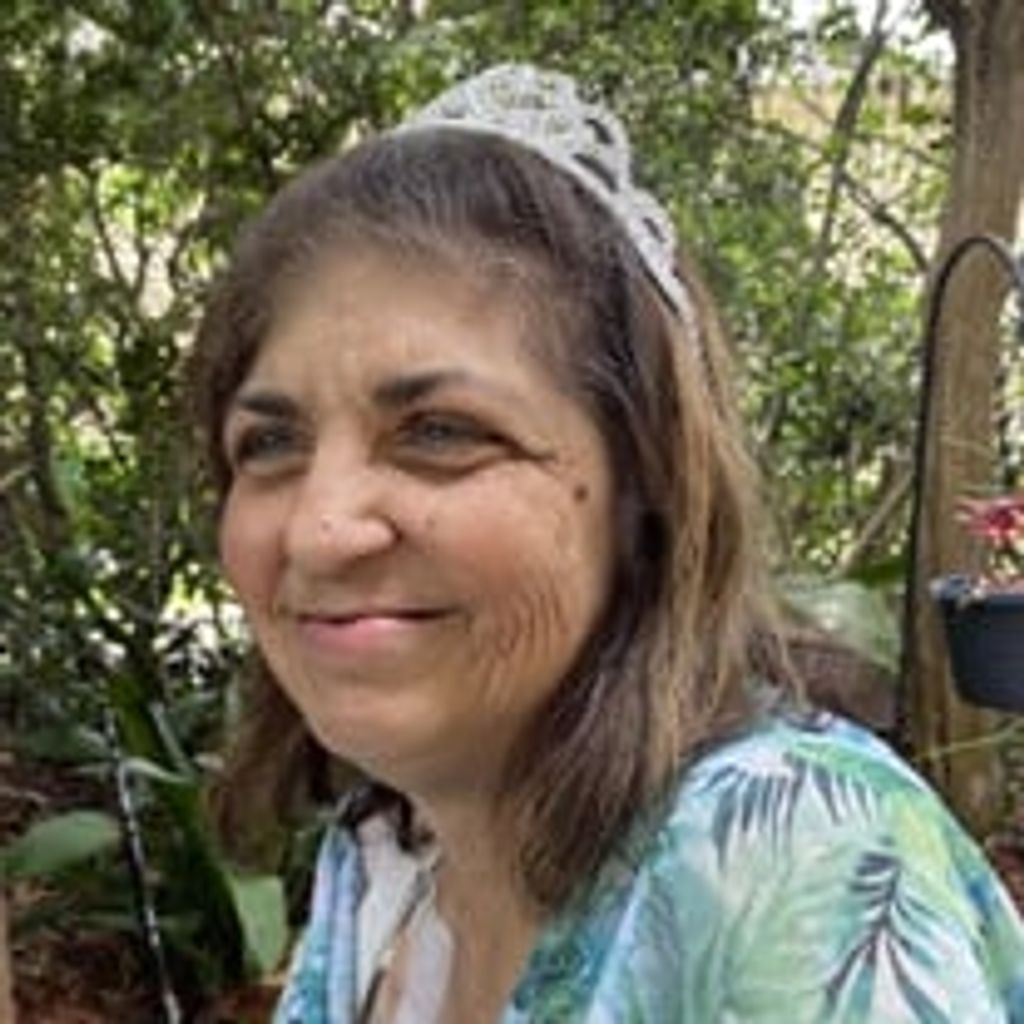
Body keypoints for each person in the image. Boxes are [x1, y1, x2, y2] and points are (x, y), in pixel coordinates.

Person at [190, 64, 1024, 1023]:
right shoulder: (386, 851)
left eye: (440, 432)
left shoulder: (788, 852)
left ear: (648, 485)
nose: (320, 528)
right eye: (271, 444)